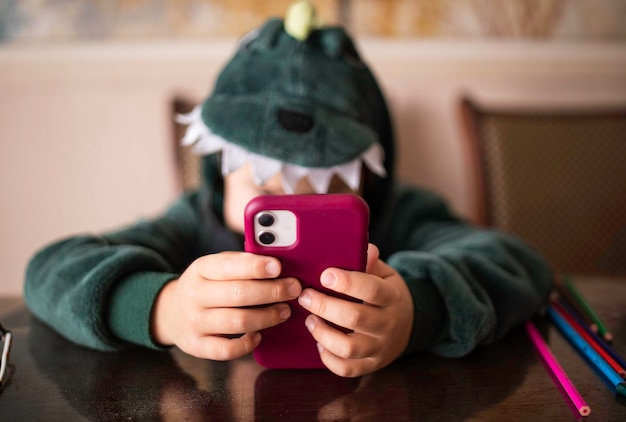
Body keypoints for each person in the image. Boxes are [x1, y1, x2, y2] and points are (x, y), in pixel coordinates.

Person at [24, 2, 553, 378]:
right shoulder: (191, 223)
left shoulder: (400, 217)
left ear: (368, 177)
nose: (282, 193)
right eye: (257, 168)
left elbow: (517, 262)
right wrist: (163, 306)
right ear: (218, 166)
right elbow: (51, 268)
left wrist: (418, 311)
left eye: (316, 176)